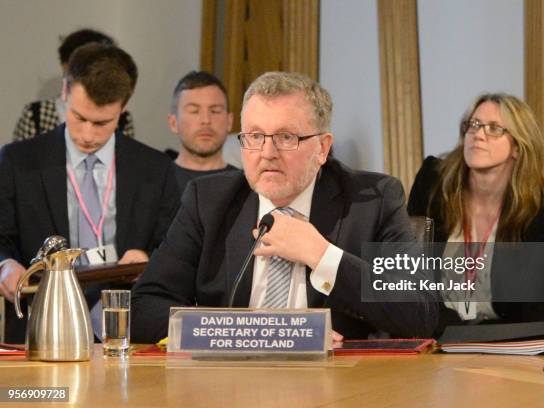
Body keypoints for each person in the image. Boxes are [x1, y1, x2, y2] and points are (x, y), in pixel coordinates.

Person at [131, 71, 438, 343]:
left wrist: (322, 255)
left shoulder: (373, 200)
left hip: (339, 383)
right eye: (255, 136)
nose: (267, 153)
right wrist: (253, 332)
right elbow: (144, 307)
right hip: (228, 384)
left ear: (322, 147)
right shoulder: (209, 201)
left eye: (286, 137)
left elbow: (420, 315)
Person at [0, 43, 180, 342]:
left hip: (128, 326)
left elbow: (175, 245)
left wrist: (147, 258)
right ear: (65, 93)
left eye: (101, 123)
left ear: (123, 107)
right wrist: (5, 265)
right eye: (79, 117)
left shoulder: (155, 168)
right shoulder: (18, 162)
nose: (87, 135)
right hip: (42, 322)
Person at [408, 93, 544, 334]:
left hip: (502, 347)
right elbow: (408, 280)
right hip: (433, 338)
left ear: (517, 146)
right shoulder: (433, 185)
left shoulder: (541, 213)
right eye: (474, 125)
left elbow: (539, 316)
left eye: (494, 129)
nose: (478, 135)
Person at [13, 28, 135, 141]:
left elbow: (126, 160)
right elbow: (18, 159)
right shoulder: (36, 115)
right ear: (65, 65)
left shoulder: (122, 118)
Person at [168, 71, 239, 194]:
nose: (206, 120)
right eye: (194, 111)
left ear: (229, 121)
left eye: (215, 111)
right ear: (173, 123)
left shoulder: (247, 188)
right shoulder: (154, 186)